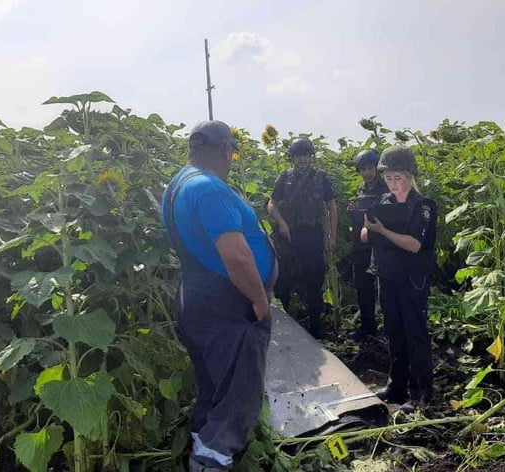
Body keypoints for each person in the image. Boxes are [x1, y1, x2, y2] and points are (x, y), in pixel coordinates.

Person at [162, 120, 277, 472]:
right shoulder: (209, 188)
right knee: (240, 389)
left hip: (198, 297)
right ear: (227, 150)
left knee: (214, 384)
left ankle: (202, 437)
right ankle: (211, 457)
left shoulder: (178, 184)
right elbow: (237, 257)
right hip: (229, 304)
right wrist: (259, 300)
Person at [362, 145, 437, 413]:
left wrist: (383, 230)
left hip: (412, 278)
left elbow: (415, 245)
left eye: (398, 178)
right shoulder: (382, 202)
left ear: (409, 176)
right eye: (388, 178)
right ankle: (396, 386)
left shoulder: (423, 206)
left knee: (414, 333)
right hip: (387, 275)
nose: (393, 184)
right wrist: (370, 226)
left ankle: (421, 392)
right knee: (393, 332)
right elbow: (364, 237)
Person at [267, 137, 337, 338]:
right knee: (284, 281)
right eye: (299, 156)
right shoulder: (285, 177)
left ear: (311, 157)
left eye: (306, 155)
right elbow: (272, 204)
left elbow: (331, 207)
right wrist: (281, 222)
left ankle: (315, 326)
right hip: (289, 235)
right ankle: (284, 326)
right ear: (293, 158)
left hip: (312, 234)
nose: (303, 160)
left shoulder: (321, 178)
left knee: (315, 279)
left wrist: (331, 235)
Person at [346, 149, 388, 339]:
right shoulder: (360, 191)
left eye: (370, 168)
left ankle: (389, 328)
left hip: (381, 244)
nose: (367, 173)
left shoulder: (386, 189)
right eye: (363, 169)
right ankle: (367, 326)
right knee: (363, 287)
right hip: (361, 244)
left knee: (385, 289)